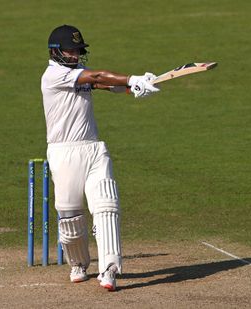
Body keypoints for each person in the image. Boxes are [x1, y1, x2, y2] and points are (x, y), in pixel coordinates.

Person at [40, 24, 160, 291]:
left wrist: (135, 87)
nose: (76, 55)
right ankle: (79, 264)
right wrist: (130, 78)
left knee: (106, 207)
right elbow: (95, 77)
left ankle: (109, 269)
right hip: (63, 152)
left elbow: (102, 83)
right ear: (56, 52)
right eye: (71, 51)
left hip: (94, 149)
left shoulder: (76, 74)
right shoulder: (53, 75)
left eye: (78, 50)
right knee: (70, 218)